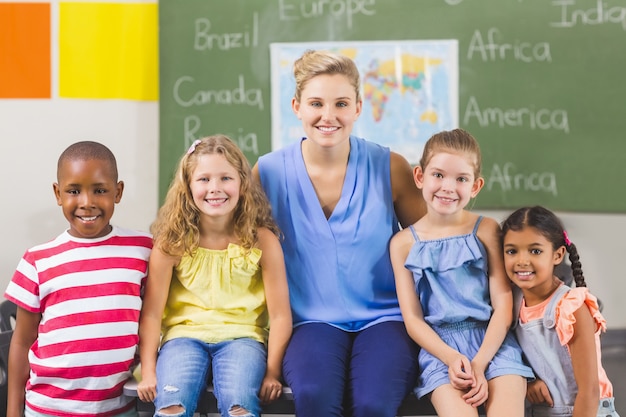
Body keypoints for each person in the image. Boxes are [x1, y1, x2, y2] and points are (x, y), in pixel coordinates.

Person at [252, 49, 426, 417]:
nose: (328, 116)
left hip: (386, 318)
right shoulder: (267, 173)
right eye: (316, 103)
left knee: (373, 403)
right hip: (311, 321)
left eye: (341, 104)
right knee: (313, 395)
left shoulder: (390, 167)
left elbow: (430, 242)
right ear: (297, 106)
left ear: (359, 108)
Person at [136, 135, 292, 417]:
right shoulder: (171, 241)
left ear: (242, 184)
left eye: (225, 178)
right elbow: (151, 315)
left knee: (239, 405)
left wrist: (272, 371)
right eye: (204, 179)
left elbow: (280, 315)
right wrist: (148, 370)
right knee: (172, 405)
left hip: (243, 339)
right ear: (188, 186)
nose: (215, 188)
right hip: (182, 338)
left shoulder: (262, 240)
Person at [389, 128, 534, 417]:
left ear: (476, 186)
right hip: (440, 351)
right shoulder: (402, 243)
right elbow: (413, 320)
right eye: (438, 175)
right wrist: (453, 359)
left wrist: (480, 363)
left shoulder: (487, 229)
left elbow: (503, 306)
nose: (448, 187)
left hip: (492, 343)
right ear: (420, 176)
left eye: (461, 179)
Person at [4, 141, 152, 417]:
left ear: (118, 192)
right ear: (58, 194)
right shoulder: (37, 259)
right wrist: (13, 411)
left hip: (119, 408)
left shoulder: (143, 249)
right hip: (48, 408)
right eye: (74, 191)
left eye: (100, 190)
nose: (87, 202)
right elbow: (22, 342)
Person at [501, 206, 620, 417]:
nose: (521, 260)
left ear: (557, 255)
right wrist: (530, 380)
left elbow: (589, 392)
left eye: (535, 251)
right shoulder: (512, 303)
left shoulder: (571, 307)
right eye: (512, 251)